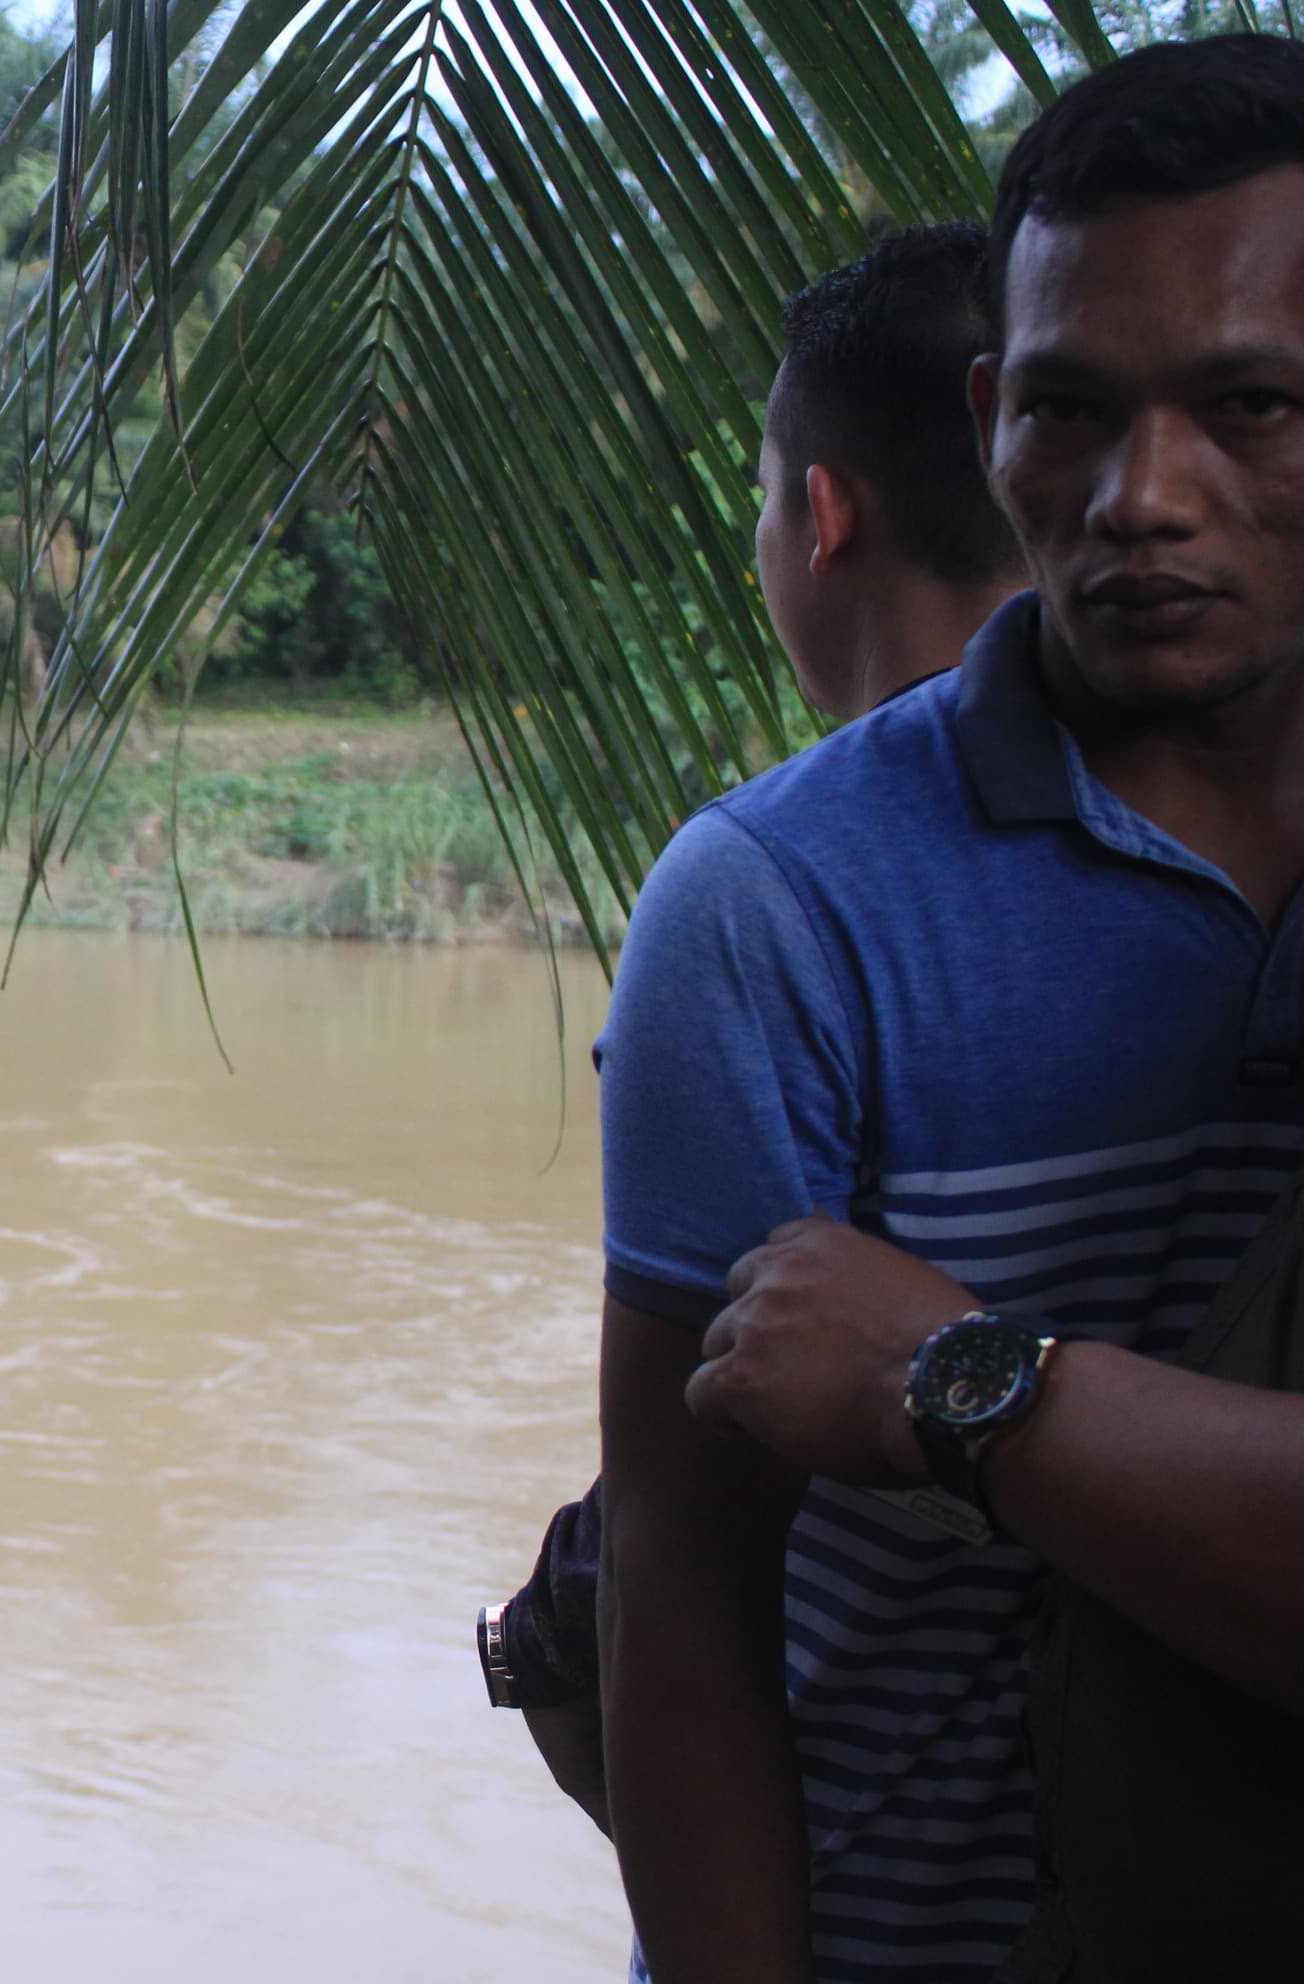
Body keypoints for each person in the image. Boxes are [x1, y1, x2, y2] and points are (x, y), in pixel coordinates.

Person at [594, 35, 1304, 1981]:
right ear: (991, 419)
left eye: (1249, 403)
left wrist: (960, 1373)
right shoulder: (774, 912)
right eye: (1073, 411)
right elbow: (682, 1585)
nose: (1144, 496)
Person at [480, 221, 1025, 1830]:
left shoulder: (752, 900)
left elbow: (682, 1564)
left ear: (821, 513)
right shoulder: (1231, 845)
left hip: (870, 1884)